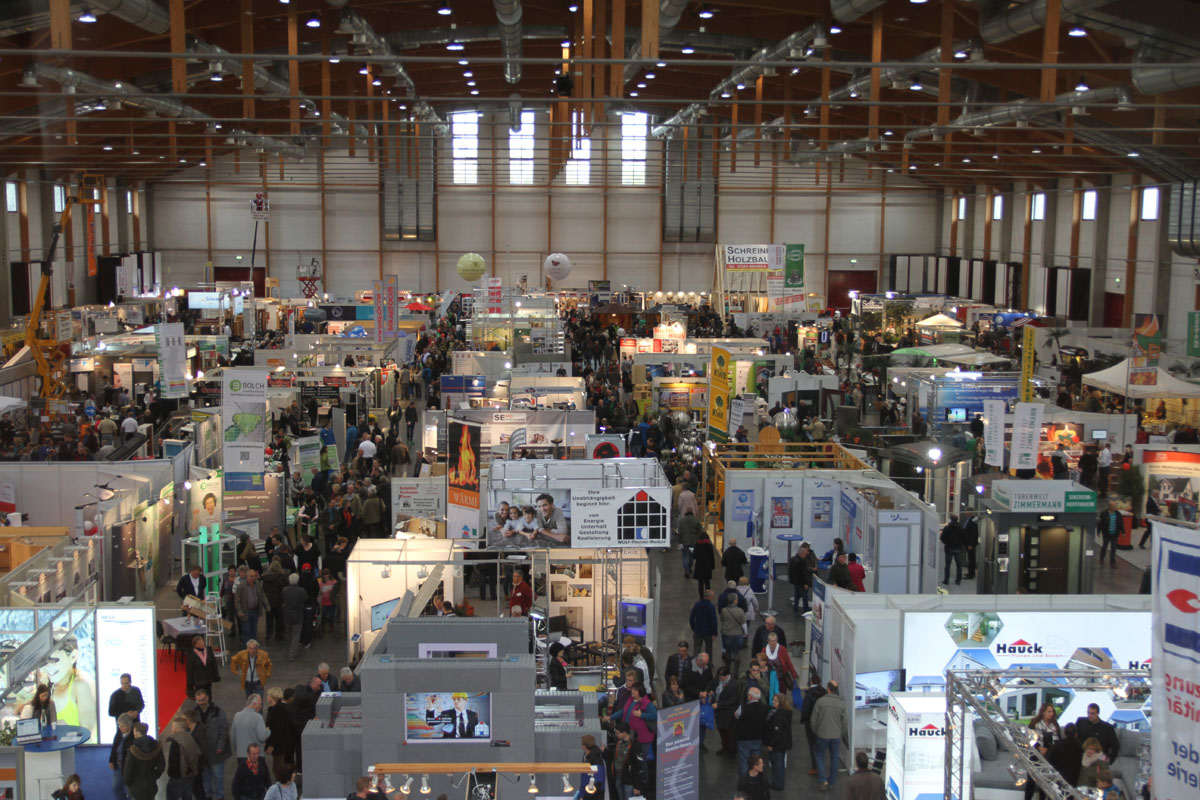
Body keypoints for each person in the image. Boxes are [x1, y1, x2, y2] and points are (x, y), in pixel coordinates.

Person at [193, 688, 231, 800]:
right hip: (202, 753)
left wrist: (220, 746)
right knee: (205, 776)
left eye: (203, 700)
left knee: (218, 776)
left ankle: (220, 796)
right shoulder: (194, 713)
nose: (201, 702)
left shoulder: (218, 711)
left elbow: (224, 729)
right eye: (198, 700)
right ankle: (208, 796)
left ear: (207, 698)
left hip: (216, 751)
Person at [811, 681, 847, 791]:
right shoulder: (842, 704)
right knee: (834, 757)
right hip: (836, 735)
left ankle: (823, 780)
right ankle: (831, 781)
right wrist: (840, 733)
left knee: (819, 756)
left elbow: (813, 720)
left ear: (828, 689)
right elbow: (845, 722)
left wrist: (816, 731)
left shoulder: (820, 702)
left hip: (822, 734)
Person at [163, 716, 202, 800]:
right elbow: (198, 753)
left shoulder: (176, 741)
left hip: (178, 776)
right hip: (190, 775)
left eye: (173, 726)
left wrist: (171, 773)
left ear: (177, 728)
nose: (172, 729)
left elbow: (173, 762)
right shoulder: (190, 737)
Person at [124, 722, 166, 800]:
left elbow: (128, 770)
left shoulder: (133, 749)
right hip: (151, 785)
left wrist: (129, 783)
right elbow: (161, 765)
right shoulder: (156, 746)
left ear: (136, 732)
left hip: (136, 786)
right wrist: (154, 776)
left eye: (134, 731)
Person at [264, 687, 298, 779]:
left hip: (280, 746)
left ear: (272, 697)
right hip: (281, 744)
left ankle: (283, 786)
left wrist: (271, 745)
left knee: (278, 769)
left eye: (268, 695)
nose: (267, 697)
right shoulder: (276, 708)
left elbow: (278, 730)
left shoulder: (277, 710)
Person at [734, 686, 769, 775]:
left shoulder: (743, 708)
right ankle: (754, 780)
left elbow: (736, 716)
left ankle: (745, 782)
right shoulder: (764, 708)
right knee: (755, 761)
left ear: (750, 696)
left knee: (744, 761)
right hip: (758, 738)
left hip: (744, 739)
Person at [763, 692, 793, 790]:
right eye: (773, 700)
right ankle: (778, 782)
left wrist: (771, 744)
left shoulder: (778, 715)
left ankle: (778, 784)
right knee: (779, 764)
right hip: (783, 743)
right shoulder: (785, 713)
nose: (773, 702)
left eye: (775, 701)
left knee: (777, 764)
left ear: (781, 703)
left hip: (777, 744)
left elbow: (777, 732)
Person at [231, 695, 270, 769]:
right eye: (260, 704)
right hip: (256, 757)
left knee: (244, 779)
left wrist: (238, 751)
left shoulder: (237, 716)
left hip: (241, 756)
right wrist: (268, 731)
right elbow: (262, 736)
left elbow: (233, 737)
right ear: (254, 704)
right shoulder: (258, 717)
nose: (261, 706)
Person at [235, 569, 270, 649]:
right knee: (246, 632)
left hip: (255, 611)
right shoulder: (241, 586)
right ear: (247, 577)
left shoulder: (257, 584)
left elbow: (262, 595)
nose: (254, 578)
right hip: (245, 612)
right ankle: (245, 651)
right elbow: (237, 600)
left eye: (255, 576)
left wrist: (267, 606)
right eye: (251, 576)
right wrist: (239, 611)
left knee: (254, 631)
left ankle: (253, 650)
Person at [281, 573, 308, 662]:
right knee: (296, 636)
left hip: (287, 616)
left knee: (289, 635)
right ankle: (292, 655)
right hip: (297, 616)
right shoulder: (301, 591)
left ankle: (289, 650)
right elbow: (305, 599)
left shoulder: (285, 590)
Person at [720, 593, 748, 675]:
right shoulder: (740, 611)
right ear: (735, 601)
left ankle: (728, 668)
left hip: (726, 634)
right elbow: (744, 624)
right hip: (737, 635)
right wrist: (745, 633)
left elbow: (722, 620)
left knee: (727, 652)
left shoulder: (724, 610)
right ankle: (736, 671)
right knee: (736, 652)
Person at [110, 713, 136, 800]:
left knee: (130, 791)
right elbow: (114, 748)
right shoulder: (118, 734)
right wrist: (111, 760)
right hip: (118, 766)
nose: (120, 728)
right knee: (116, 788)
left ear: (129, 726)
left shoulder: (134, 738)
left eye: (123, 726)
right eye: (119, 726)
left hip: (128, 768)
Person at [689, 589, 719, 657]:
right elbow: (713, 621)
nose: (713, 597)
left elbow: (692, 617)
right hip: (708, 632)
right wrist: (714, 633)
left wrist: (694, 628)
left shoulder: (697, 605)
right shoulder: (711, 607)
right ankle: (708, 664)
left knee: (696, 649)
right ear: (709, 596)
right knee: (708, 650)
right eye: (712, 596)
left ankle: (695, 665)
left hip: (698, 630)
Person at [788, 543, 813, 616]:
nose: (805, 556)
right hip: (800, 583)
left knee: (797, 596)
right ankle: (806, 609)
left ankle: (796, 610)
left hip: (795, 582)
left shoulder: (793, 559)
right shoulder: (800, 562)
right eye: (805, 554)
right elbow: (802, 574)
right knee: (804, 596)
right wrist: (805, 583)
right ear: (802, 554)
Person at [677, 508, 702, 578]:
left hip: (684, 542)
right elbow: (700, 531)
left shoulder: (681, 521)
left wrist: (679, 541)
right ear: (692, 512)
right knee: (691, 555)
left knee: (684, 556)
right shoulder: (696, 520)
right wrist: (697, 538)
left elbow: (680, 532)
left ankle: (687, 571)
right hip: (693, 542)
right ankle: (689, 567)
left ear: (686, 512)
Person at [1097, 501, 1122, 568]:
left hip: (1115, 534)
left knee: (1113, 548)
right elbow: (1100, 524)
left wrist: (1123, 531)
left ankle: (1112, 563)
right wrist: (1098, 532)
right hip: (1106, 534)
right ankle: (1101, 558)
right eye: (1114, 506)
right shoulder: (1103, 513)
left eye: (1115, 506)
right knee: (1104, 547)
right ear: (1110, 506)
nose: (1115, 507)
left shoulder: (1118, 514)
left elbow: (1120, 523)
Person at [940, 514, 964, 585]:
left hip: (949, 548)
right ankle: (958, 581)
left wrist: (946, 543)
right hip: (958, 549)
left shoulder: (947, 528)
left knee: (948, 565)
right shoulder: (961, 528)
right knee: (959, 566)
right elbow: (964, 538)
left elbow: (942, 538)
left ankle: (946, 580)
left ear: (951, 519)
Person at [692, 531, 717, 598]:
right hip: (707, 567)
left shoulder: (697, 545)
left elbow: (694, 556)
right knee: (707, 582)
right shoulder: (709, 546)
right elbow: (712, 557)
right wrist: (712, 566)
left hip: (699, 566)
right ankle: (708, 595)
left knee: (700, 583)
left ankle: (701, 596)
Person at [962, 511, 980, 580]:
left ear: (970, 512)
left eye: (966, 511)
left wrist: (970, 544)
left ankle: (971, 574)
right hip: (968, 543)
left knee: (971, 559)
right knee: (970, 558)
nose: (965, 513)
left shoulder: (973, 521)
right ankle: (970, 572)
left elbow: (973, 534)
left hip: (970, 544)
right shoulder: (968, 519)